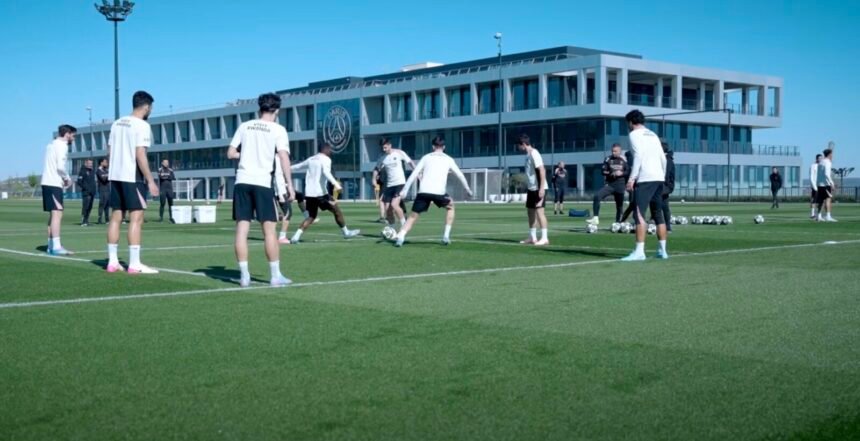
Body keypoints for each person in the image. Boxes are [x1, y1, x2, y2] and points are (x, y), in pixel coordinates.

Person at [226, 92, 294, 287]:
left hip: (242, 181)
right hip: (263, 183)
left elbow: (231, 153)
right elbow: (283, 157)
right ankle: (275, 276)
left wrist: (245, 153)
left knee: (241, 230)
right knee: (270, 231)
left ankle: (244, 276)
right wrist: (289, 184)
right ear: (277, 110)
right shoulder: (278, 129)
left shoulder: (244, 126)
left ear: (260, 108)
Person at [105, 91, 160, 274]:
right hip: (132, 177)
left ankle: (112, 262)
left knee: (116, 217)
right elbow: (140, 154)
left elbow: (110, 152)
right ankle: (134, 264)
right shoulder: (142, 125)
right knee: (136, 218)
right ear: (146, 106)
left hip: (115, 176)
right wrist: (150, 180)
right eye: (151, 107)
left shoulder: (116, 123)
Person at [394, 136, 471, 247]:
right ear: (444, 147)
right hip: (439, 193)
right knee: (450, 207)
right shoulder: (448, 159)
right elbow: (460, 175)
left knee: (413, 216)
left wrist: (405, 190)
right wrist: (467, 189)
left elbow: (414, 174)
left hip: (423, 191)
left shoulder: (426, 157)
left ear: (432, 146)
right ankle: (445, 236)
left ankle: (401, 236)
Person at [289, 143, 360, 243]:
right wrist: (337, 184)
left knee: (311, 217)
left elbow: (297, 167)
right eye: (330, 149)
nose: (331, 151)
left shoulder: (311, 159)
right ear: (326, 149)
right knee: (336, 210)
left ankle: (295, 237)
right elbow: (327, 173)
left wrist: (286, 168)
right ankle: (346, 233)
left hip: (309, 194)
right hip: (321, 194)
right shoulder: (326, 159)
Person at [621, 110, 668, 261]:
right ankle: (663, 251)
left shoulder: (634, 135)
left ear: (630, 122)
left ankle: (639, 252)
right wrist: (662, 175)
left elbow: (638, 156)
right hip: (658, 177)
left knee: (639, 214)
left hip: (645, 178)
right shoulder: (653, 134)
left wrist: (631, 178)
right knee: (658, 213)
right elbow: (663, 158)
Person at [40, 124, 76, 255]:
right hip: (54, 183)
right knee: (57, 214)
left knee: (53, 215)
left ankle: (51, 246)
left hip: (47, 183)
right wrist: (67, 178)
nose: (74, 138)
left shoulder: (50, 144)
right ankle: (56, 246)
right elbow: (60, 167)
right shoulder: (62, 146)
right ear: (67, 134)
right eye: (73, 135)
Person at [372, 137, 414, 227]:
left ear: (390, 145)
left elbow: (410, 162)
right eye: (382, 148)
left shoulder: (399, 153)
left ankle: (404, 226)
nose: (384, 149)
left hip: (400, 183)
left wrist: (417, 173)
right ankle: (392, 229)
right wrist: (373, 179)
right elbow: (376, 169)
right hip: (389, 185)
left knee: (394, 204)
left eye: (385, 147)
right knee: (388, 209)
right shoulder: (382, 158)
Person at [516, 134, 550, 246]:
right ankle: (532, 237)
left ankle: (544, 238)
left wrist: (541, 189)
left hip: (539, 188)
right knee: (530, 212)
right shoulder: (527, 155)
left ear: (523, 144)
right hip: (531, 188)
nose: (518, 148)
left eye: (519, 145)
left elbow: (542, 170)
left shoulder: (534, 153)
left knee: (540, 212)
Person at [587, 144, 629, 225]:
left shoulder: (624, 160)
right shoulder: (607, 159)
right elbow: (603, 171)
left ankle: (618, 222)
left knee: (619, 206)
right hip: (610, 185)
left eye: (615, 151)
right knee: (597, 196)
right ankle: (595, 218)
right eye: (612, 151)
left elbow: (628, 172)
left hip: (620, 186)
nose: (613, 153)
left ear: (620, 151)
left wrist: (621, 173)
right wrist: (611, 173)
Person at [273, 153, 307, 244]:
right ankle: (282, 237)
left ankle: (306, 216)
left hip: (280, 189)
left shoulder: (277, 158)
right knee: (288, 213)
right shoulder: (277, 159)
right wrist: (280, 194)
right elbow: (277, 176)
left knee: (299, 195)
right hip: (279, 191)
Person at [815, 148, 836, 222]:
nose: (832, 156)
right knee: (828, 199)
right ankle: (828, 216)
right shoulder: (828, 162)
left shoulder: (820, 162)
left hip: (819, 184)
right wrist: (832, 183)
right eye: (832, 154)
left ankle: (819, 216)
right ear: (829, 154)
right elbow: (827, 174)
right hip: (825, 184)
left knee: (820, 200)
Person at [660, 142, 675, 232]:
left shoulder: (667, 160)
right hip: (663, 185)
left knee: (663, 206)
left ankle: (667, 226)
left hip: (664, 186)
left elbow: (667, 174)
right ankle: (665, 225)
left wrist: (667, 186)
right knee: (662, 205)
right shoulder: (666, 159)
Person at [76, 158, 96, 226]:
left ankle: (86, 220)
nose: (91, 165)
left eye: (91, 164)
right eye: (89, 163)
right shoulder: (82, 171)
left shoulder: (92, 171)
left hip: (92, 192)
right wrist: (86, 188)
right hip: (86, 193)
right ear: (86, 163)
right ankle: (83, 221)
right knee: (85, 206)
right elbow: (79, 182)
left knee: (90, 207)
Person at [96, 158, 110, 224]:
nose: (106, 163)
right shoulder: (99, 170)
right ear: (101, 163)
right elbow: (103, 179)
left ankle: (107, 219)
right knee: (102, 204)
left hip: (107, 189)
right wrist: (109, 176)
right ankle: (99, 219)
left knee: (107, 205)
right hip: (102, 189)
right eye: (105, 162)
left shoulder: (106, 170)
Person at [809, 154, 821, 219]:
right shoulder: (813, 166)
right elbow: (811, 177)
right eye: (819, 158)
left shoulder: (821, 166)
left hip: (821, 185)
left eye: (821, 158)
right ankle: (813, 213)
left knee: (820, 200)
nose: (820, 159)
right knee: (814, 200)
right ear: (816, 159)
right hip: (815, 186)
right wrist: (814, 186)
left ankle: (818, 214)